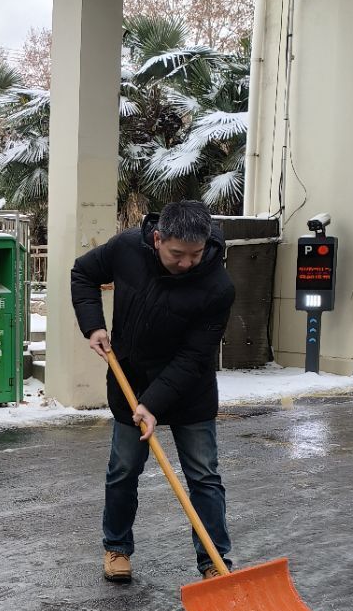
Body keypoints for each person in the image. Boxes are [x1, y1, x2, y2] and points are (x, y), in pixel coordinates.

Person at [70, 200, 236, 584]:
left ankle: (214, 562)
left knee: (204, 476)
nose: (187, 263)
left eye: (196, 254)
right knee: (124, 469)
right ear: (158, 238)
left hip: (189, 391)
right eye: (177, 254)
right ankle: (116, 547)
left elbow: (194, 357)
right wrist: (93, 325)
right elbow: (83, 272)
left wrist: (153, 404)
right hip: (131, 381)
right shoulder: (127, 248)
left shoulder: (218, 287)